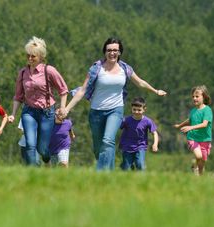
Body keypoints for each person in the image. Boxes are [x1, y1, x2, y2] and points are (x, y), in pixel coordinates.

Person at [58, 37, 167, 171]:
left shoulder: (125, 68)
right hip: (96, 112)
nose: (112, 53)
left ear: (120, 52)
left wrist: (155, 90)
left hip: (115, 110)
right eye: (109, 50)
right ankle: (108, 170)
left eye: (115, 50)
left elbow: (140, 82)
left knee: (108, 140)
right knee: (99, 148)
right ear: (105, 52)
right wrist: (67, 109)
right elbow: (83, 90)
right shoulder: (96, 68)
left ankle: (102, 173)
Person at [9, 36, 69, 166]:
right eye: (28, 56)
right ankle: (33, 172)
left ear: (41, 57)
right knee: (30, 144)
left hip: (47, 113)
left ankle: (47, 158)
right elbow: (18, 96)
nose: (30, 59)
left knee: (42, 148)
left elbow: (63, 90)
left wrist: (63, 108)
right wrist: (13, 114)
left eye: (33, 56)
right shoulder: (23, 72)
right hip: (28, 112)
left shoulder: (49, 71)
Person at [174, 85, 213, 175]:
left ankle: (199, 174)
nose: (194, 98)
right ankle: (195, 167)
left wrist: (190, 127)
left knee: (202, 160)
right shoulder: (193, 111)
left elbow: (204, 124)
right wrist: (180, 125)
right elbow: (190, 120)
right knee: (198, 156)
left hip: (205, 139)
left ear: (204, 97)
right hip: (193, 138)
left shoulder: (207, 110)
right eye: (193, 97)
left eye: (197, 96)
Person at [119, 97, 159, 171]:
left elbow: (155, 133)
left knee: (140, 164)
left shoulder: (147, 121)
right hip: (127, 146)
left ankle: (141, 179)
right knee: (126, 168)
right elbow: (116, 128)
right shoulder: (126, 120)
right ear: (131, 108)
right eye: (134, 109)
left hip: (140, 146)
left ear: (144, 109)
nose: (136, 112)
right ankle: (128, 166)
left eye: (139, 110)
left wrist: (155, 144)